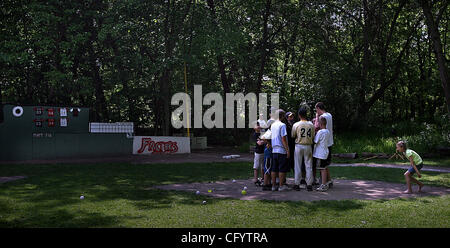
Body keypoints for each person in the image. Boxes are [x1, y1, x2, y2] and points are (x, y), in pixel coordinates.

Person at [292, 107, 315, 191]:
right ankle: (309, 184)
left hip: (299, 145)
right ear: (306, 114)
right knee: (309, 166)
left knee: (297, 165)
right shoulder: (311, 124)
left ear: (299, 115)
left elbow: (293, 135)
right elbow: (313, 136)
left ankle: (297, 184)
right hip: (308, 146)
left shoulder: (296, 124)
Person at [270, 109, 291, 191]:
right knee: (282, 168)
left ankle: (273, 185)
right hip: (281, 150)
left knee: (274, 168)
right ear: (282, 116)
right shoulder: (282, 125)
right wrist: (287, 150)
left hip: (274, 149)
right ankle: (281, 186)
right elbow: (283, 139)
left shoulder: (273, 125)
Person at [314, 102, 333, 188]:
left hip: (322, 144)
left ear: (318, 108)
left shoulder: (322, 117)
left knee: (322, 166)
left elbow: (316, 127)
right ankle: (329, 181)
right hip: (329, 142)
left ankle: (323, 183)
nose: (316, 111)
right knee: (325, 164)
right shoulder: (329, 115)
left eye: (316, 109)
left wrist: (317, 117)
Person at [313, 117, 331, 192]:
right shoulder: (327, 131)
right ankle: (327, 182)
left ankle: (323, 184)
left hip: (320, 153)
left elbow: (315, 141)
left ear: (320, 124)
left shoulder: (320, 132)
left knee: (322, 169)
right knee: (325, 167)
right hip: (325, 151)